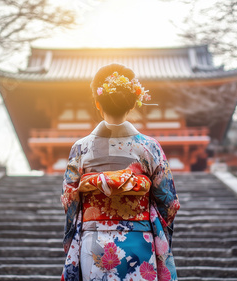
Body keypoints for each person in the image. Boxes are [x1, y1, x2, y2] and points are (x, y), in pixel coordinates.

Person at [61, 63, 180, 281]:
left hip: (93, 241)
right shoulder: (149, 147)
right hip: (139, 240)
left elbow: (70, 199)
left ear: (98, 103)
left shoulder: (80, 148)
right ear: (134, 103)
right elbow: (169, 203)